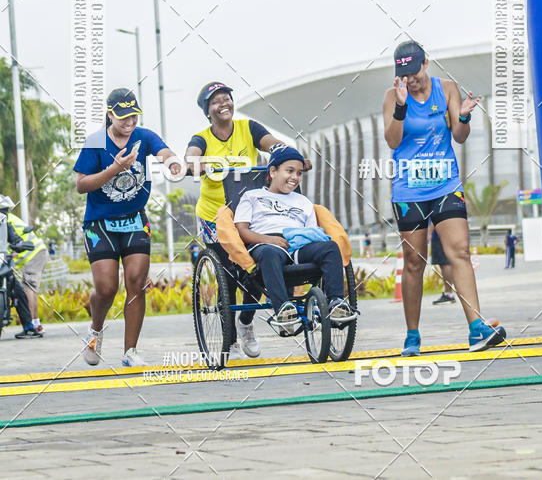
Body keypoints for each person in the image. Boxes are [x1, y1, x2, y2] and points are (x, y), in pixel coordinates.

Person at [383, 41, 506, 355]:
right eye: (403, 74)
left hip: (445, 185)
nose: (409, 79)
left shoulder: (447, 88)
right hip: (409, 189)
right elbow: (392, 141)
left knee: (460, 252)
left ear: (426, 63)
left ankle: (476, 328)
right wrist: (400, 107)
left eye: (413, 72)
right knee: (414, 261)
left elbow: (459, 138)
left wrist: (463, 118)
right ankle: (412, 335)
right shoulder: (392, 95)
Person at [185, 81, 310, 359]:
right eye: (216, 101)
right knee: (229, 274)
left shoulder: (248, 128)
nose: (223, 104)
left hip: (251, 210)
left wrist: (294, 156)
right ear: (208, 111)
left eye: (226, 98)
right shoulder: (202, 138)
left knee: (254, 269)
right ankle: (227, 341)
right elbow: (191, 157)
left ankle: (246, 323)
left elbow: (273, 145)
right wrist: (197, 164)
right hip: (217, 215)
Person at [74, 88, 180, 367]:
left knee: (136, 282)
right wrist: (114, 169)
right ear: (110, 115)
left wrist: (173, 163)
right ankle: (95, 331)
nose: (129, 122)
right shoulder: (95, 142)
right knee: (107, 287)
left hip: (134, 218)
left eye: (133, 116)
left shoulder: (144, 136)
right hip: (100, 223)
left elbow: (164, 151)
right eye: (123, 117)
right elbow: (81, 185)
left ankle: (130, 351)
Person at [234, 146, 355, 333]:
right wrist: (269, 240)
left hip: (297, 244)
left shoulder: (303, 202)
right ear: (273, 171)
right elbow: (241, 230)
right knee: (269, 252)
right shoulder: (252, 196)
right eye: (289, 171)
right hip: (264, 243)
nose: (294, 177)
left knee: (330, 247)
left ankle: (336, 302)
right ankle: (283, 309)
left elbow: (310, 232)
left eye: (299, 173)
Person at [0, 196, 40, 338]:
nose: (3, 214)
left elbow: (15, 239)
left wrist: (20, 245)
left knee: (19, 291)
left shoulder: (7, 226)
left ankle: (29, 327)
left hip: (3, 262)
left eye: (4, 211)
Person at [7, 210, 49, 333]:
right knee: (30, 288)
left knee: (28, 289)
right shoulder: (7, 217)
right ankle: (36, 324)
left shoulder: (4, 220)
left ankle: (31, 326)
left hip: (34, 253)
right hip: (37, 253)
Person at [429, 226, 455, 304]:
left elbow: (436, 214)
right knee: (445, 263)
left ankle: (448, 293)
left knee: (444, 263)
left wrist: (429, 232)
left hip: (439, 234)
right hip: (444, 234)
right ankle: (449, 293)